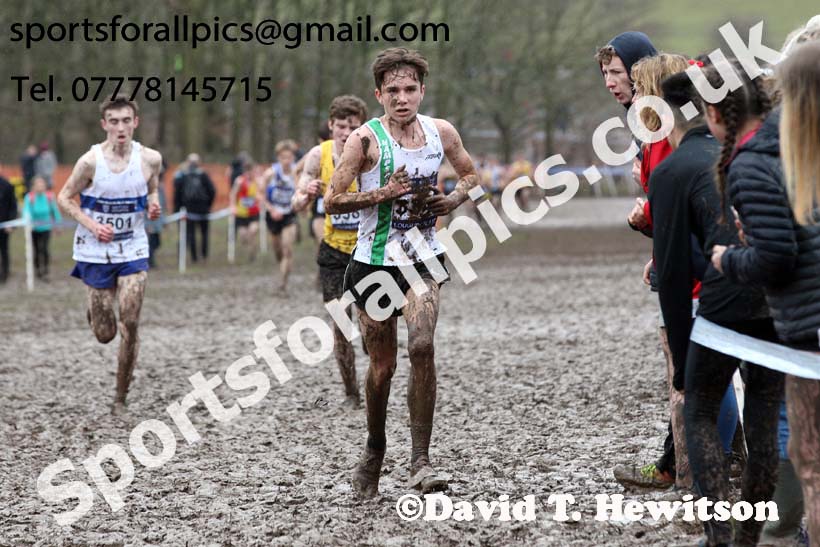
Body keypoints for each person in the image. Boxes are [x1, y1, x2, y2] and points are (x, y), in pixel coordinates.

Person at [324, 47, 478, 497]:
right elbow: (332, 200)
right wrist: (381, 195)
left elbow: (470, 176)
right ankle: (374, 449)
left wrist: (452, 200)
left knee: (424, 346)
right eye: (392, 90)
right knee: (383, 368)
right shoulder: (365, 141)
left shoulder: (441, 132)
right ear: (379, 94)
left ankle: (421, 460)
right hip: (373, 265)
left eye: (410, 89)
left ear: (422, 91)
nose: (402, 97)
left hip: (424, 260)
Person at [653, 68, 783, 547]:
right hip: (774, 299)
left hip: (723, 299)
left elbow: (669, 273)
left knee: (702, 409)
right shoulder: (772, 155)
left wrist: (683, 357)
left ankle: (718, 534)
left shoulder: (673, 170)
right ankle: (750, 535)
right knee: (765, 414)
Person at [709, 37, 820, 545]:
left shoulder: (761, 162)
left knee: (809, 456)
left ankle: (790, 526)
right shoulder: (789, 157)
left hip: (806, 334)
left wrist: (727, 259)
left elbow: (777, 257)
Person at [595, 32, 682, 491]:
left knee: (693, 369)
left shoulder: (663, 117)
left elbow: (674, 190)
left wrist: (646, 213)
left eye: (616, 71)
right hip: (674, 251)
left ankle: (679, 464)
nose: (610, 82)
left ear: (643, 69)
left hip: (691, 261)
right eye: (604, 73)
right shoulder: (640, 117)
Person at [56, 95, 162, 415]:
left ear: (135, 123)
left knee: (130, 320)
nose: (120, 127)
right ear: (104, 125)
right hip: (95, 249)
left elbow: (153, 188)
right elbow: (64, 197)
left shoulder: (151, 159)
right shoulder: (90, 162)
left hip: (132, 246)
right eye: (113, 121)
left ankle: (120, 396)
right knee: (105, 334)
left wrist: (154, 203)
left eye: (125, 121)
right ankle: (95, 309)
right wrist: (91, 223)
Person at [292, 94, 368, 407]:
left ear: (362, 127)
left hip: (367, 250)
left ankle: (371, 343)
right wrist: (305, 194)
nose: (346, 132)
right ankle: (351, 392)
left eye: (352, 126)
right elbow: (295, 202)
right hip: (334, 252)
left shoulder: (371, 152)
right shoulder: (317, 155)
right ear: (330, 126)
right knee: (340, 324)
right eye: (340, 126)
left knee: (370, 321)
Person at [261, 140, 299, 292]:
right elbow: (260, 195)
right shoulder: (270, 174)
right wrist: (271, 209)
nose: (286, 161)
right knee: (278, 249)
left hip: (289, 214)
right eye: (283, 157)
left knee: (287, 248)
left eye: (289, 157)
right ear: (278, 158)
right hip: (273, 214)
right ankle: (282, 265)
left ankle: (283, 283)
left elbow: (301, 192)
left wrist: (300, 204)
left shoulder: (297, 173)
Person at [173, 153, 215, 263]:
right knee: (204, 233)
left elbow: (178, 195)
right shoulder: (203, 175)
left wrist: (177, 209)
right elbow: (212, 191)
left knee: (190, 233)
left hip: (189, 209)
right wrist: (208, 205)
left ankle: (194, 257)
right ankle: (204, 255)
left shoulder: (183, 176)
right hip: (203, 209)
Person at [22, 175, 62, 280]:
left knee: (44, 249)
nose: (40, 186)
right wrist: (27, 221)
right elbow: (26, 211)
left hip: (46, 227)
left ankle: (45, 271)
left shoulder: (49, 196)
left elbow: (55, 211)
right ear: (33, 186)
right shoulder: (29, 197)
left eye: (42, 184)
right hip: (33, 228)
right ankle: (37, 270)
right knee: (35, 250)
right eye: (38, 184)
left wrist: (58, 225)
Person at [229, 156, 261, 263]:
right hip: (241, 213)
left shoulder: (258, 181)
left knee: (252, 231)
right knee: (243, 236)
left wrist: (259, 197)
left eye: (251, 171)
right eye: (247, 172)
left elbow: (262, 193)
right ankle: (250, 247)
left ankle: (253, 254)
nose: (249, 174)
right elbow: (233, 194)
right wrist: (233, 206)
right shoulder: (239, 181)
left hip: (254, 213)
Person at [145, 161, 167, 268]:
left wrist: (164, 221)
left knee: (157, 243)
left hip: (157, 220)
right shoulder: (146, 187)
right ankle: (150, 261)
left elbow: (162, 204)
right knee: (151, 243)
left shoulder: (160, 188)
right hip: (148, 221)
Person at [0, 173, 17, 284]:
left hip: (4, 225)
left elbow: (13, 206)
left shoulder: (7, 185)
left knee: (4, 250)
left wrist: (11, 224)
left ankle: (4, 274)